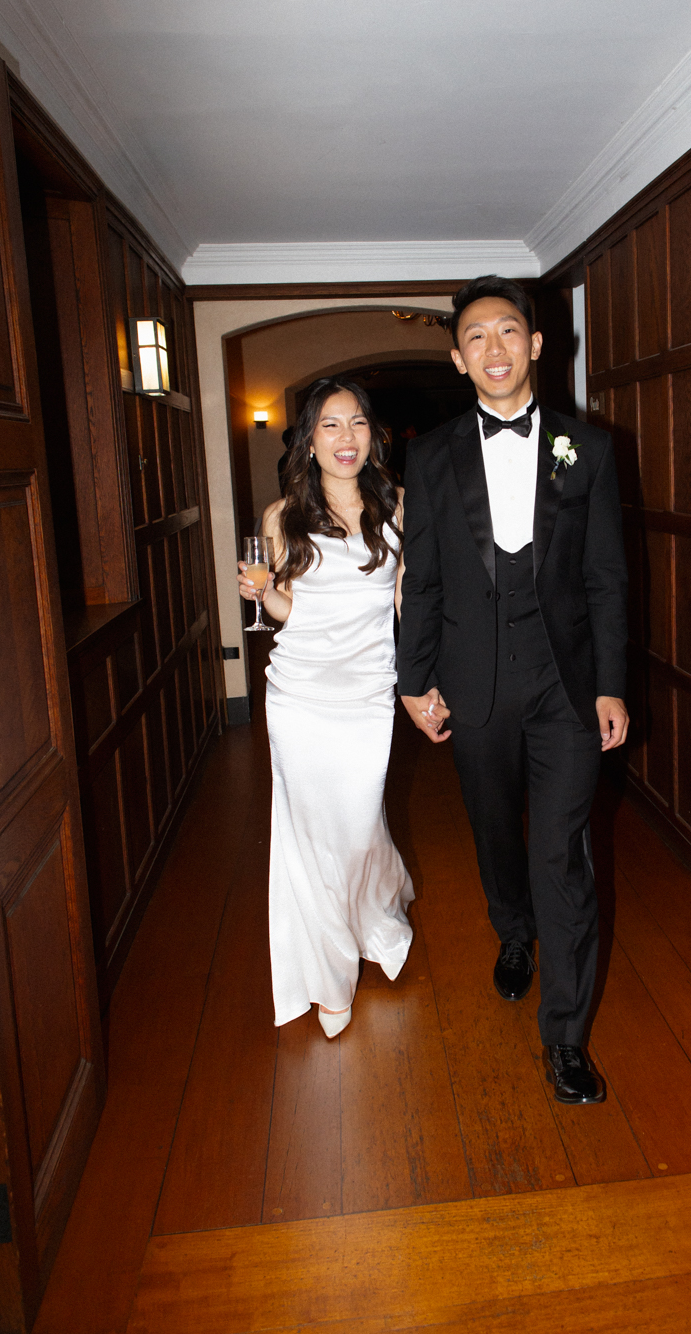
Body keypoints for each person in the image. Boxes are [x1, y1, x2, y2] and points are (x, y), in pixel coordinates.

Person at [397, 275, 628, 1103]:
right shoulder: (428, 456)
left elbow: (605, 579)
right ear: (459, 360)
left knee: (561, 854)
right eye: (475, 338)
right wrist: (412, 683)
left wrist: (610, 685)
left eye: (507, 332)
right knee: (496, 834)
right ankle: (512, 931)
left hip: (565, 689)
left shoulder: (587, 449)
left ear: (536, 344)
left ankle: (565, 1037)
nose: (493, 349)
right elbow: (421, 579)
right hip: (472, 686)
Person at [239, 378, 413, 1038]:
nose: (347, 437)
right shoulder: (280, 516)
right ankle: (330, 976)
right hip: (300, 697)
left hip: (369, 695)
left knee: (359, 823)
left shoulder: (396, 505)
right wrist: (262, 593)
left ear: (373, 437)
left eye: (358, 423)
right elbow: (287, 611)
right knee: (313, 839)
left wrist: (423, 678)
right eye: (331, 425)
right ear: (309, 440)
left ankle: (375, 906)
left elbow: (404, 603)